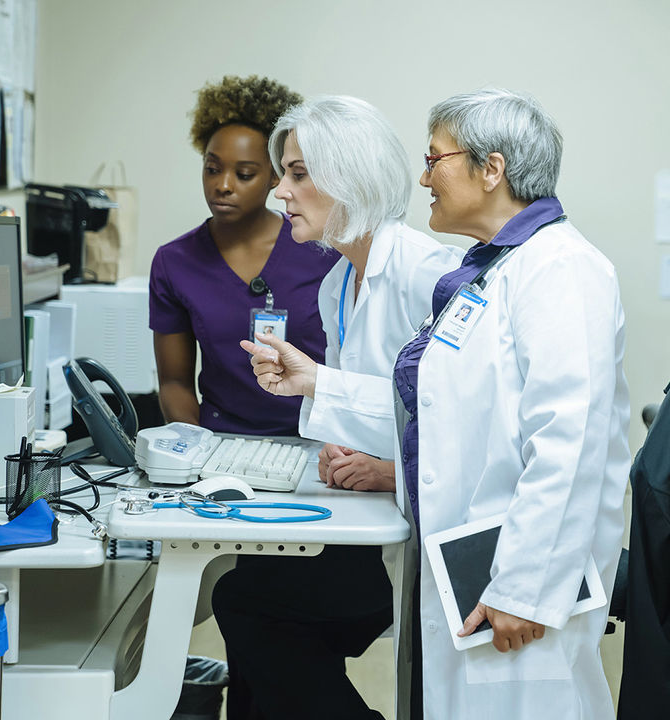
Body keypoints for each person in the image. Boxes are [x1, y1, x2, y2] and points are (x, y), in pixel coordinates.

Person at [394, 88, 629, 718]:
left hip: (518, 583)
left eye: (435, 159)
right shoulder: (496, 269)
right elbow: (448, 405)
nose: (424, 178)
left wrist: (525, 586)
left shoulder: (562, 269)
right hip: (475, 562)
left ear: (491, 169)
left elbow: (569, 439)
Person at [229, 95, 461, 720]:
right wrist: (330, 428)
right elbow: (371, 408)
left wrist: (388, 468)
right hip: (378, 521)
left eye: (298, 174)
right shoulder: (337, 283)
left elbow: (457, 418)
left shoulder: (429, 276)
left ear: (351, 177)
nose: (280, 191)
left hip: (428, 535)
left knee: (247, 605)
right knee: (253, 598)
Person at [150, 76, 330, 437]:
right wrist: (196, 450)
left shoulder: (323, 251)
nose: (223, 185)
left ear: (275, 177)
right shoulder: (174, 262)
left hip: (317, 442)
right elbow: (174, 383)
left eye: (244, 174)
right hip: (219, 442)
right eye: (212, 169)